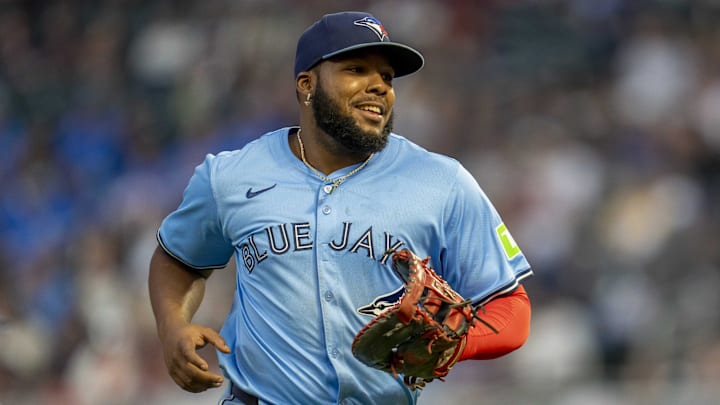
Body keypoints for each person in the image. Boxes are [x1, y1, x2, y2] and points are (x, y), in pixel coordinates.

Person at [148, 11, 533, 405]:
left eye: (387, 76)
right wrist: (172, 327)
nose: (379, 86)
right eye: (356, 69)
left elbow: (511, 308)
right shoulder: (230, 176)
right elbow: (178, 259)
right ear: (306, 84)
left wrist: (456, 345)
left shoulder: (442, 182)